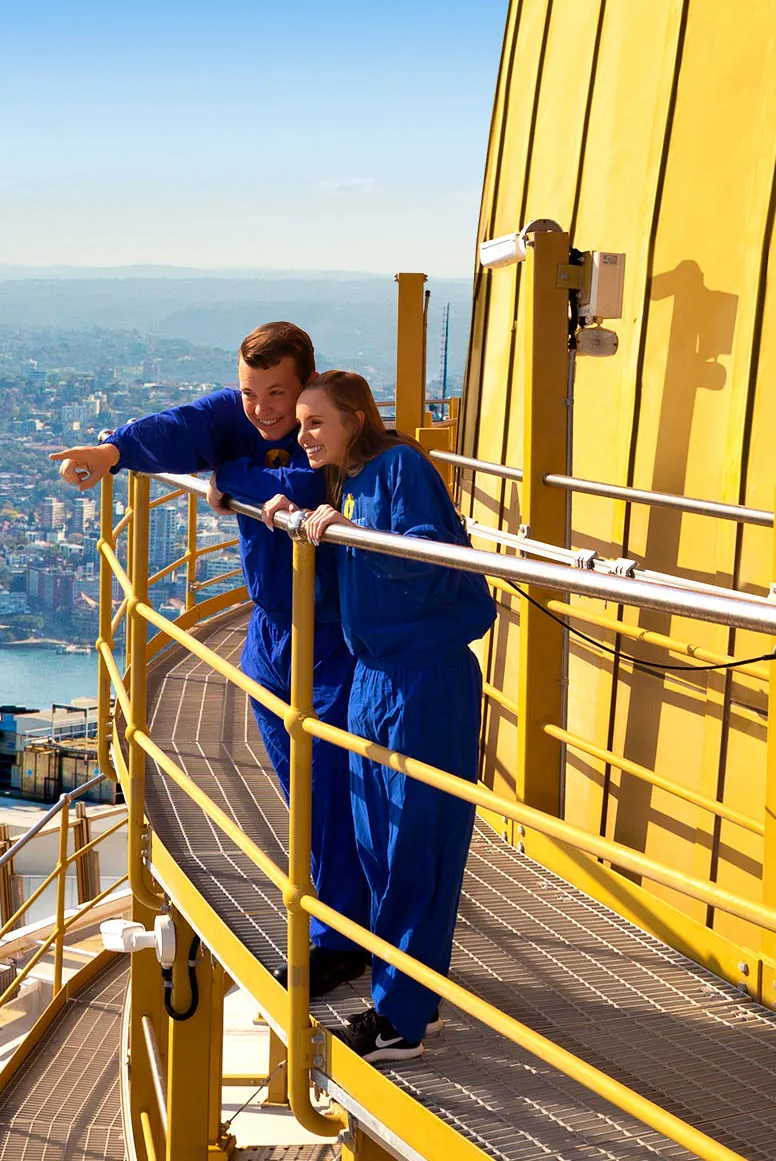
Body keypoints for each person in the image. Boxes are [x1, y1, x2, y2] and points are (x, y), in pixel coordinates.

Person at [50, 321, 370, 995]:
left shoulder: (324, 422)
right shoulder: (239, 415)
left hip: (335, 634)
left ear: (305, 381)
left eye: (275, 393)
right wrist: (112, 451)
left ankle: (341, 936)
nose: (262, 409)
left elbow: (313, 488)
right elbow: (183, 427)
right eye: (252, 392)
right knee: (302, 792)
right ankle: (335, 921)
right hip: (272, 634)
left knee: (331, 785)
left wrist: (235, 477)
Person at [263, 370, 494, 1063]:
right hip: (375, 678)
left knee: (412, 849)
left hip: (422, 679)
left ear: (356, 418)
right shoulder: (350, 481)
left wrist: (351, 531)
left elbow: (426, 561)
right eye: (300, 423)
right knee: (377, 848)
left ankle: (401, 1019)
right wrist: (293, 526)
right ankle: (414, 993)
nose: (302, 434)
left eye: (315, 422)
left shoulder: (398, 469)